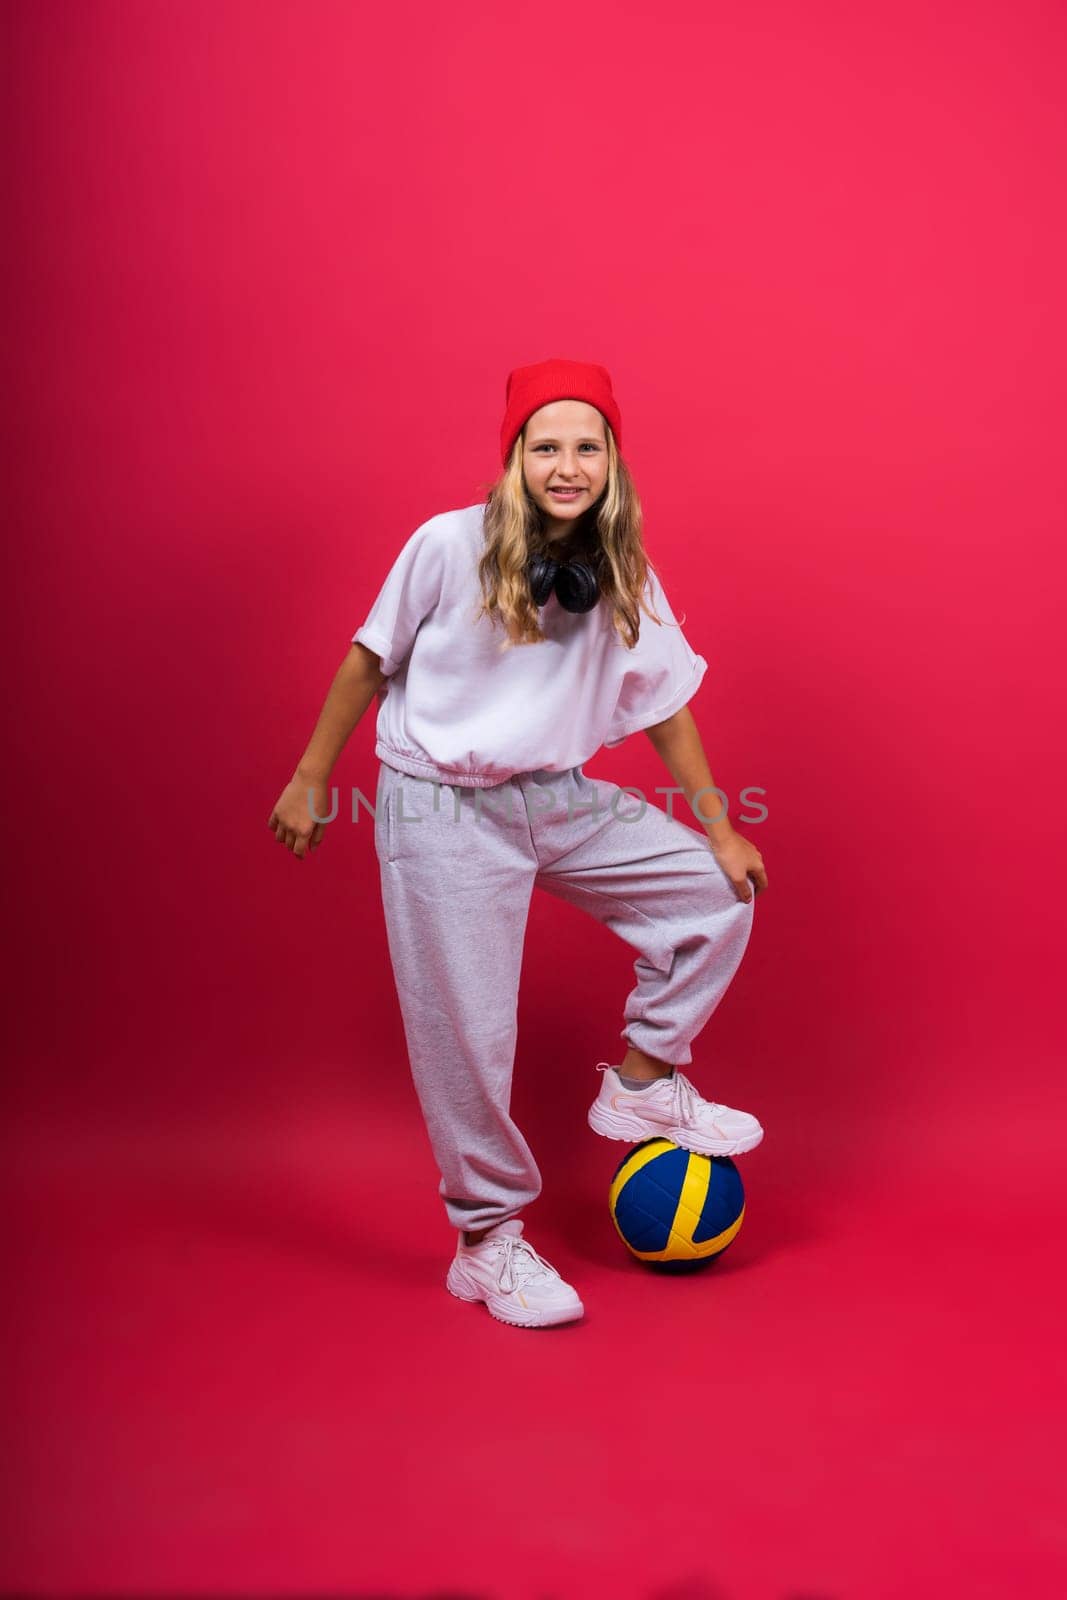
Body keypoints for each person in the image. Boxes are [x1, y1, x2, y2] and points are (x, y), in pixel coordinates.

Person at [267, 357, 768, 1331]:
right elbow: (369, 660)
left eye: (586, 444)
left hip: (554, 795)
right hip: (439, 806)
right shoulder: (445, 547)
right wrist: (311, 775)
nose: (566, 463)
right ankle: (486, 1240)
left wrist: (718, 824)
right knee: (468, 1029)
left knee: (713, 896)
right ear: (514, 457)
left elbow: (664, 706)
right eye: (546, 444)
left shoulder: (622, 571)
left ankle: (640, 1086)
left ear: (610, 459)